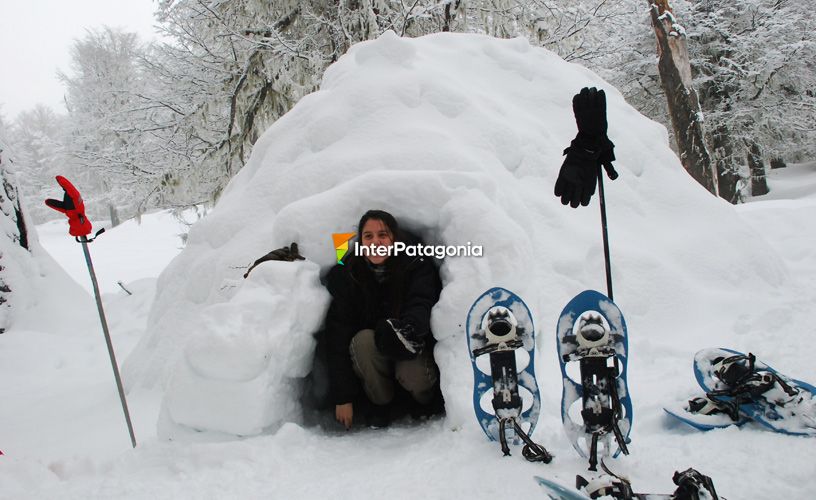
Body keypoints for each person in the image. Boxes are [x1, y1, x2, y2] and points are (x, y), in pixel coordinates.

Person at [324, 210, 443, 429]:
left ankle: (424, 401)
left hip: (409, 350)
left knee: (411, 369)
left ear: (394, 239)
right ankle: (381, 404)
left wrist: (406, 331)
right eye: (368, 236)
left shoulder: (414, 263)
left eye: (383, 235)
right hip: (375, 359)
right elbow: (337, 334)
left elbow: (421, 302)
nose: (376, 242)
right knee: (363, 341)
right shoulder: (350, 274)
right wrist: (343, 397)